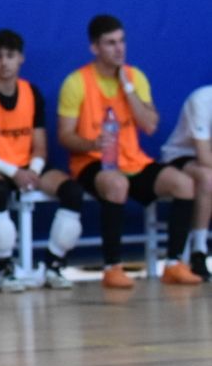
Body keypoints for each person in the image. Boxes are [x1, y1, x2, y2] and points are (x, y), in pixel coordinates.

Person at [56, 15, 202, 288]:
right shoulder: (76, 82)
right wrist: (93, 144)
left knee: (184, 184)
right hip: (92, 161)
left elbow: (150, 125)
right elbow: (65, 136)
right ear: (95, 48)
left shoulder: (135, 77)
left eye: (121, 41)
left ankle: (174, 264)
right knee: (117, 184)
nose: (119, 48)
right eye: (110, 43)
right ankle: (112, 267)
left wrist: (128, 89)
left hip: (133, 160)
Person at [0, 29, 84, 291]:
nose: (4, 62)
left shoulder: (31, 93)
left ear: (21, 58)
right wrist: (14, 172)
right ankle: (4, 268)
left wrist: (34, 171)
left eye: (10, 56)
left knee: (72, 191)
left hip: (27, 166)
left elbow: (40, 146)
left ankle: (53, 264)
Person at [159, 83, 212, 278]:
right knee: (208, 178)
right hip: (180, 156)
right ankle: (199, 251)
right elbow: (204, 157)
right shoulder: (201, 100)